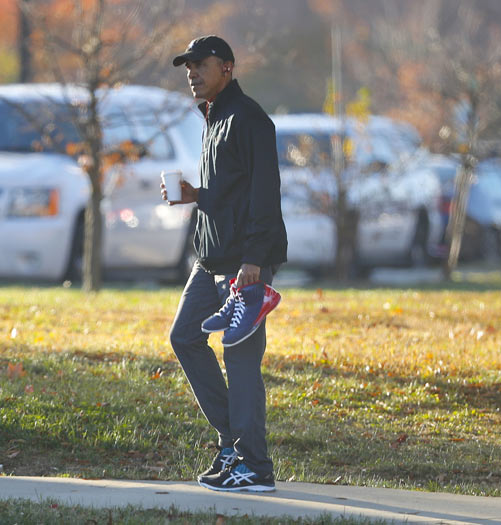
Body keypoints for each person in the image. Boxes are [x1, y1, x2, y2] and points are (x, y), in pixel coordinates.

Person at [162, 35, 287, 492]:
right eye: (187, 67)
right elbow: (232, 190)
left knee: (240, 362)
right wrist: (198, 196)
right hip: (209, 257)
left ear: (227, 67)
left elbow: (264, 194)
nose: (192, 73)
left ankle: (255, 466)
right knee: (185, 336)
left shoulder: (250, 119)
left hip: (243, 263)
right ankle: (233, 444)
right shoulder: (213, 118)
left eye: (201, 65)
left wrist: (255, 260)